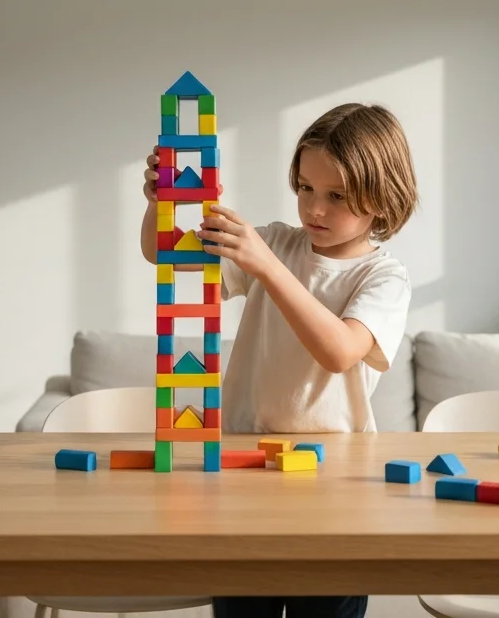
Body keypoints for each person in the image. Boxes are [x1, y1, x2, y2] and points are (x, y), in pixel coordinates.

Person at [139, 102, 418, 618]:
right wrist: (162, 204)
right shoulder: (273, 243)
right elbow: (166, 256)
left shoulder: (382, 278)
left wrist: (267, 267)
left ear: (381, 198)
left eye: (337, 196)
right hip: (245, 471)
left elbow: (338, 351)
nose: (315, 209)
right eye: (306, 189)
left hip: (336, 483)